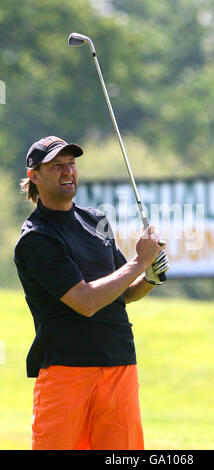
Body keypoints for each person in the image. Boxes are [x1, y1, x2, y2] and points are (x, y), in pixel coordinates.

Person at [14, 135, 169, 450]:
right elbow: (86, 302)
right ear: (35, 176)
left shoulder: (96, 220)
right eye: (57, 166)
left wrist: (151, 277)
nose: (68, 171)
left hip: (120, 363)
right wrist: (140, 261)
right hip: (66, 370)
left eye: (71, 164)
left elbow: (121, 293)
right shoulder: (37, 238)